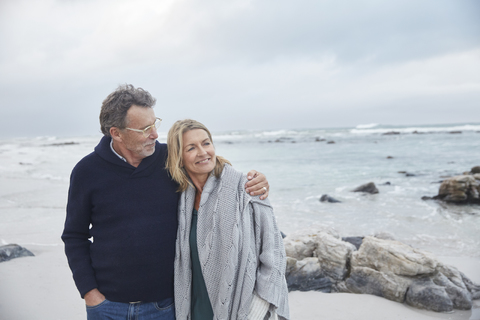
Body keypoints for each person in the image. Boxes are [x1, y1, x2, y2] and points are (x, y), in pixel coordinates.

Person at [61, 84, 270, 320]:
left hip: (166, 306)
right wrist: (90, 293)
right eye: (145, 128)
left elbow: (211, 167)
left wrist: (253, 181)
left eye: (155, 123)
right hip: (108, 307)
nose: (155, 134)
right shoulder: (87, 171)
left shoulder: (170, 158)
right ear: (116, 133)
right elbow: (74, 236)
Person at [166, 119, 290, 320]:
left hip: (243, 311)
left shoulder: (246, 188)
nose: (203, 152)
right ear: (178, 157)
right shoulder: (181, 199)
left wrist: (256, 311)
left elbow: (274, 254)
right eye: (191, 148)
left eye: (206, 143)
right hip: (196, 309)